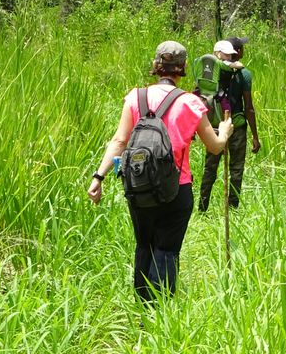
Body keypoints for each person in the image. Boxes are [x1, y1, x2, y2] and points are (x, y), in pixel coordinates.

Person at [87, 40, 234, 302]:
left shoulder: (136, 97)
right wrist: (224, 132)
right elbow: (214, 147)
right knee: (166, 250)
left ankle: (142, 309)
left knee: (144, 246)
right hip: (176, 189)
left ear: (156, 66)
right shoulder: (190, 102)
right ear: (183, 69)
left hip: (138, 187)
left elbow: (120, 142)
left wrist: (99, 176)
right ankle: (159, 315)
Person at [198, 36, 261, 212]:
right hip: (237, 126)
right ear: (238, 52)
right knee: (236, 169)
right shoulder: (244, 74)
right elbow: (249, 107)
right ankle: (232, 208)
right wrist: (255, 136)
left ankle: (202, 208)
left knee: (210, 168)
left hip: (215, 126)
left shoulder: (210, 74)